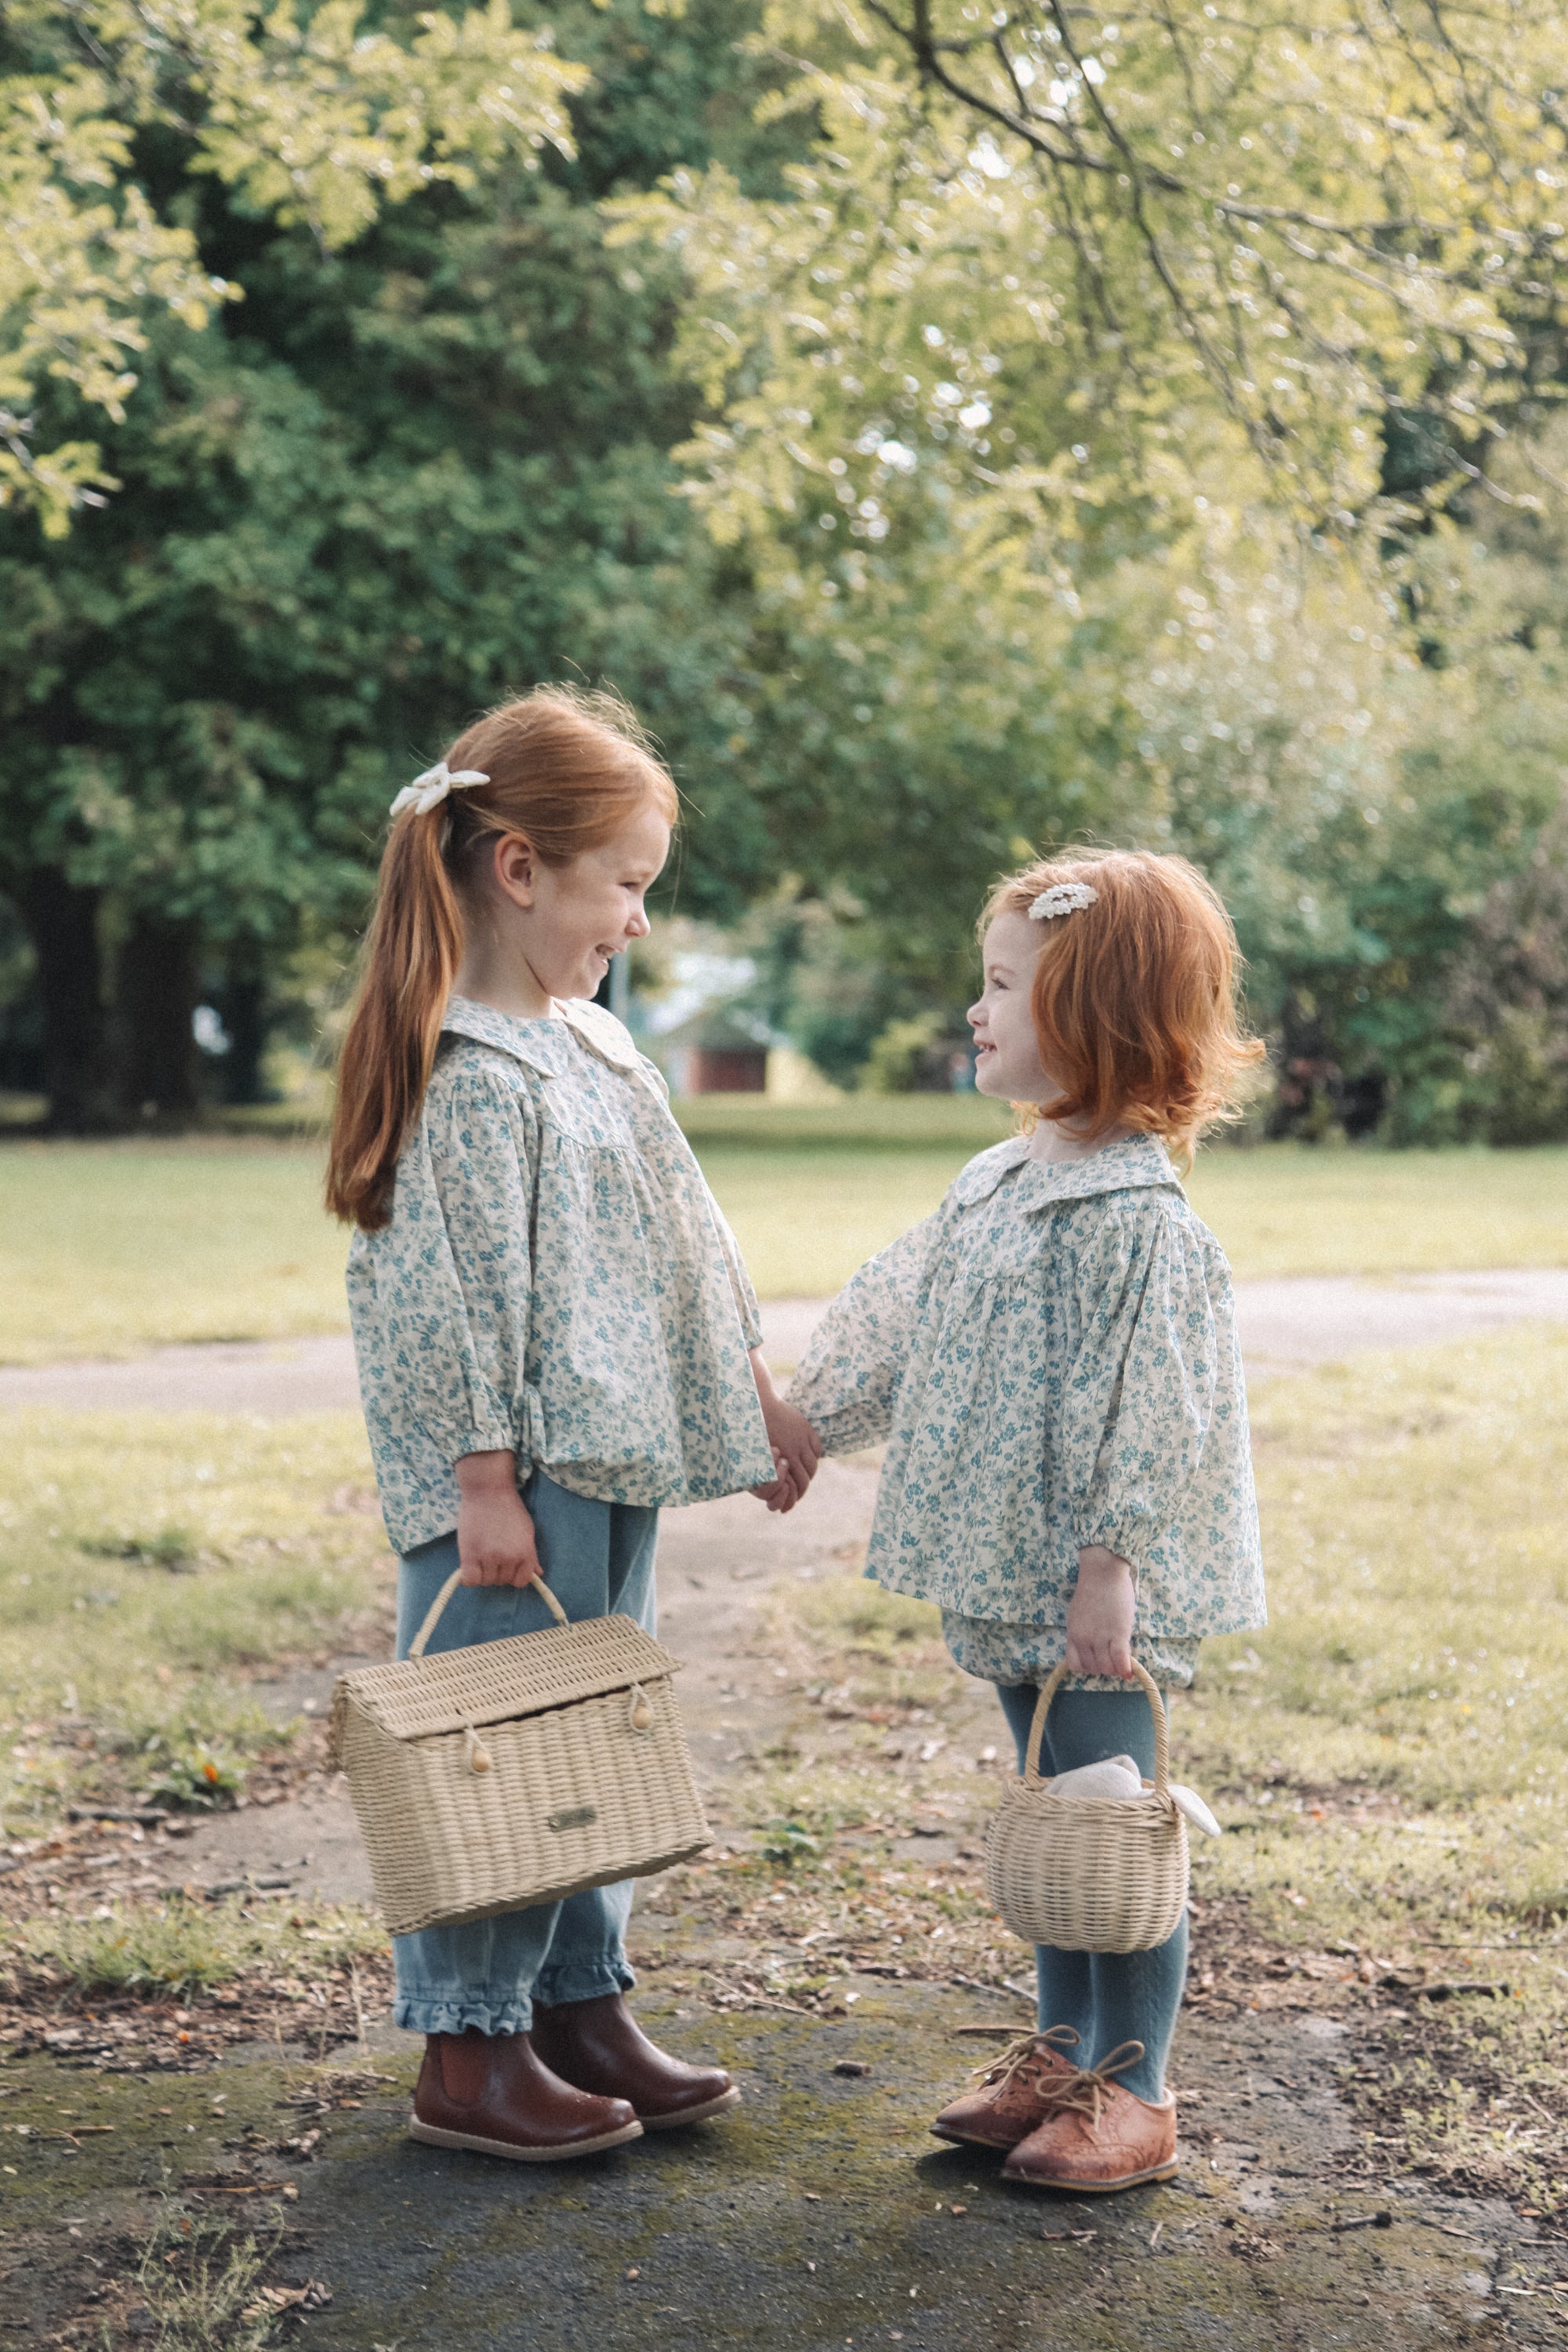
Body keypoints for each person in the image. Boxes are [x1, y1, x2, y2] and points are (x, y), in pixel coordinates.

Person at [325, 686, 821, 2163]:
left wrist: (750, 1383)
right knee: (495, 1742)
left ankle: (579, 2004)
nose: (641, 925)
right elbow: (438, 1294)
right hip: (515, 1481)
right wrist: (480, 1476)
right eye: (627, 887)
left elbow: (687, 1232)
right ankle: (470, 2047)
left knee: (594, 1731)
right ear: (520, 869)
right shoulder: (457, 1062)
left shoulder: (597, 1051)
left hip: (613, 1454)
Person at [787, 851, 1266, 2194]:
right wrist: (811, 1417)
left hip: (1096, 1589)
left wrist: (1113, 1563)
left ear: (1099, 1019)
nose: (976, 1010)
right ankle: (1062, 2053)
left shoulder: (1142, 1221)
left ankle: (1141, 2086)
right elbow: (899, 1308)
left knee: (1118, 1826)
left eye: (1004, 986)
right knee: (1058, 1826)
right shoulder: (995, 1183)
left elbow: (1159, 1413)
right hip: (1009, 1572)